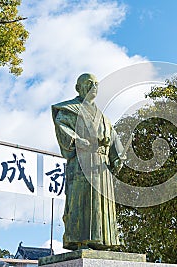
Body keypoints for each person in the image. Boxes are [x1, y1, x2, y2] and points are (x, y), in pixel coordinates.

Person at [51, 73, 123, 250]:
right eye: (89, 83)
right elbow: (62, 126)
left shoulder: (104, 118)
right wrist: (76, 139)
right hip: (82, 163)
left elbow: (113, 137)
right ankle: (80, 239)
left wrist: (117, 156)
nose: (94, 87)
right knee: (81, 201)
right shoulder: (68, 110)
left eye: (96, 84)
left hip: (102, 165)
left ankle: (104, 241)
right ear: (78, 88)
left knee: (102, 203)